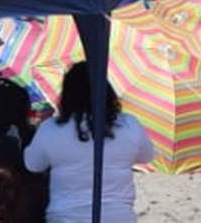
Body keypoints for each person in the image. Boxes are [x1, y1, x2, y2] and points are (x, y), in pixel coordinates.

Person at [22, 60, 155, 223]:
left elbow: (32, 164)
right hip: (118, 216)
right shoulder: (129, 124)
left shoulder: (51, 128)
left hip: (65, 216)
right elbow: (147, 156)